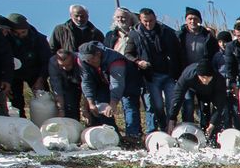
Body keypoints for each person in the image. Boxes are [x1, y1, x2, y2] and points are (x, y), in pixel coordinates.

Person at [135, 8, 183, 132]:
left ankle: (171, 129)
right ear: (140, 20)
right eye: (145, 21)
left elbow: (178, 52)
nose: (148, 24)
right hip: (151, 76)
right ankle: (162, 127)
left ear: (155, 18)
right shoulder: (135, 34)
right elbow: (128, 53)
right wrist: (138, 62)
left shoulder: (166, 32)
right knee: (157, 105)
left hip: (169, 74)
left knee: (171, 105)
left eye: (151, 20)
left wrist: (177, 71)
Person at [105, 8, 148, 142]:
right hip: (115, 73)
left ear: (130, 19)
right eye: (117, 18)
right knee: (119, 103)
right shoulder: (110, 36)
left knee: (130, 103)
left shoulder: (137, 33)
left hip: (133, 72)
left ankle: (133, 133)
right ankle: (118, 133)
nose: (120, 20)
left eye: (123, 17)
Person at [4, 13, 51, 116]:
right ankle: (21, 125)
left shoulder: (39, 39)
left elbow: (46, 61)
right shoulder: (5, 39)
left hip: (35, 71)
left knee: (43, 99)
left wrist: (41, 79)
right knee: (16, 103)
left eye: (23, 32)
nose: (20, 35)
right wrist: (5, 80)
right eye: (16, 33)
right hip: (13, 74)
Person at [75, 42, 129, 129]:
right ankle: (103, 132)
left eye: (91, 59)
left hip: (126, 80)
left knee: (128, 104)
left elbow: (117, 83)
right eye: (87, 60)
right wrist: (91, 103)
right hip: (102, 82)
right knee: (101, 107)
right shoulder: (83, 61)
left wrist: (113, 103)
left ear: (98, 54)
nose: (90, 62)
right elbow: (86, 82)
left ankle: (131, 134)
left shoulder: (115, 60)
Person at [171, 59, 227, 134]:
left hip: (208, 91)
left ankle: (207, 134)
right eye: (203, 77)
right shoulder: (188, 75)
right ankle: (188, 133)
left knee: (206, 113)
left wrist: (212, 123)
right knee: (188, 106)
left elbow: (219, 103)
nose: (205, 80)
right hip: (191, 87)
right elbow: (178, 96)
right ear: (198, 75)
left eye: (208, 77)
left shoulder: (219, 80)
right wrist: (172, 118)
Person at [46, 46, 84, 123]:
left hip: (82, 79)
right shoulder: (53, 62)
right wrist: (61, 109)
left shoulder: (81, 60)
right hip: (66, 83)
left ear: (72, 58)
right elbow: (57, 87)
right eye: (62, 66)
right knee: (69, 107)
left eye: (68, 65)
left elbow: (87, 84)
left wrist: (85, 108)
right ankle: (73, 124)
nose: (65, 68)